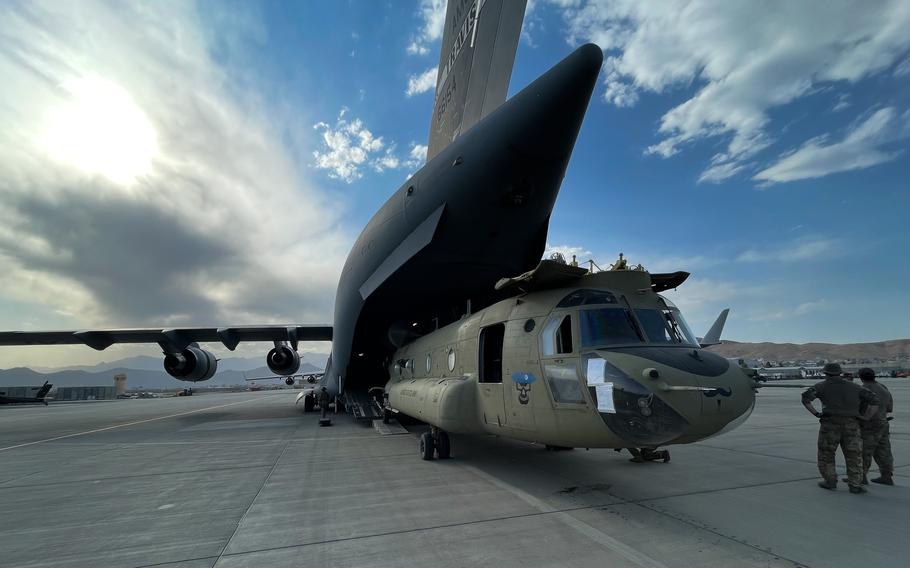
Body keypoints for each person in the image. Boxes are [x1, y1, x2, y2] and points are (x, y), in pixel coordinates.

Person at [802, 363, 879, 493]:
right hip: (852, 425)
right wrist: (866, 417)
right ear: (840, 373)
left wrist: (816, 413)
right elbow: (875, 401)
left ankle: (830, 481)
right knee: (854, 455)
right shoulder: (855, 387)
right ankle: (855, 485)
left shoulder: (820, 386)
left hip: (830, 424)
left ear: (825, 373)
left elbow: (805, 399)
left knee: (826, 454)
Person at [857, 367, 894, 485]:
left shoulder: (863, 390)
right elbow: (889, 408)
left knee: (864, 451)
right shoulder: (883, 388)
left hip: (868, 424)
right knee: (884, 450)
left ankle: (860, 476)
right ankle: (886, 475)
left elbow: (857, 407)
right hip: (883, 422)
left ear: (861, 377)